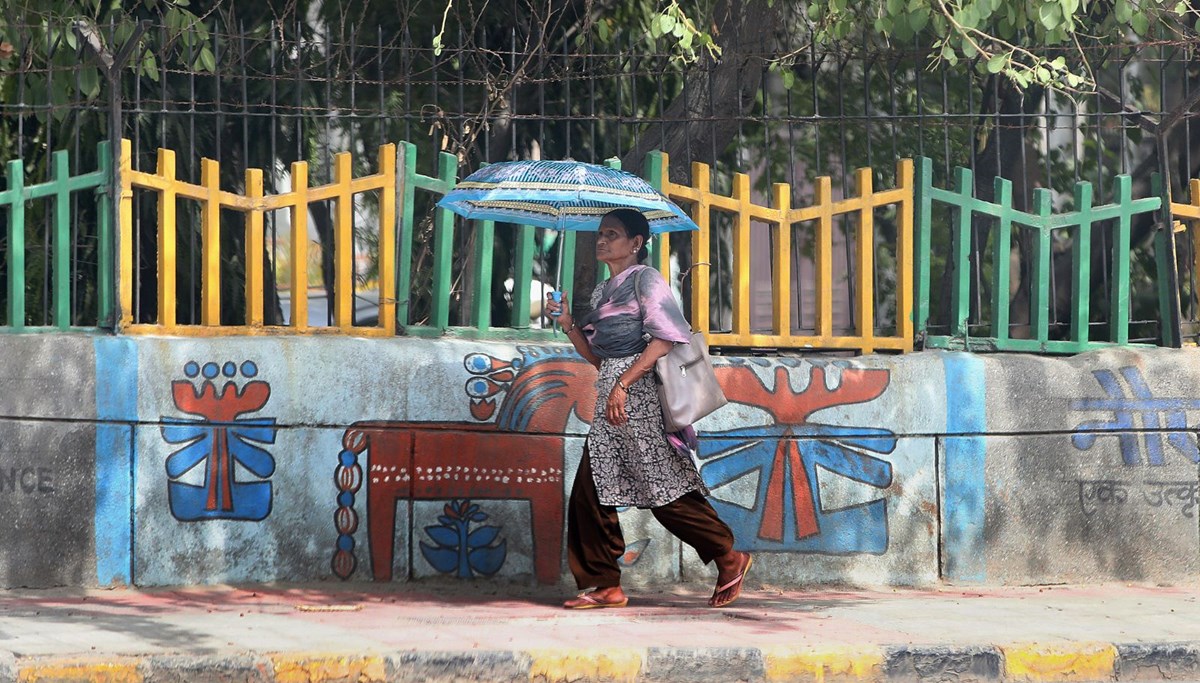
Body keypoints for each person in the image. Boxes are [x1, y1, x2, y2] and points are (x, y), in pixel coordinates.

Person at [544, 208, 752, 610]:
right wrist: (569, 322)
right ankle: (604, 583)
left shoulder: (647, 280)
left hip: (636, 397)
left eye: (613, 234)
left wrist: (623, 385)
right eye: (600, 234)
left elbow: (666, 338)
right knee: (591, 491)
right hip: (612, 398)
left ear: (636, 243)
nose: (602, 240)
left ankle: (728, 556)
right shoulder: (602, 294)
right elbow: (599, 357)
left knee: (663, 490)